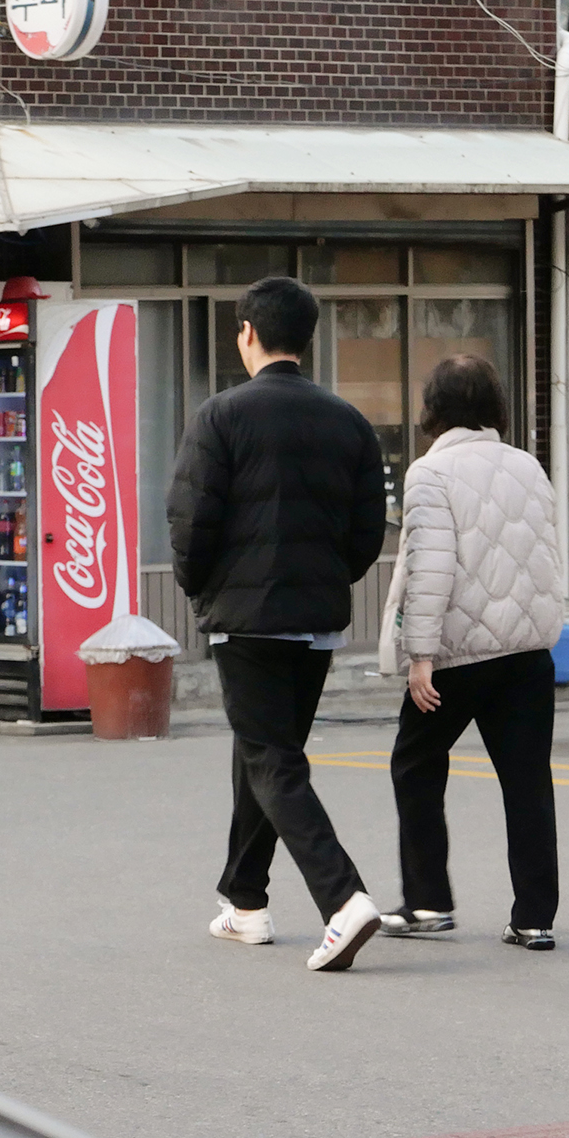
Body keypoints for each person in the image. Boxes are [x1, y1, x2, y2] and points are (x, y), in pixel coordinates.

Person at [167, 276, 387, 972]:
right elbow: (367, 532)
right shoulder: (348, 420)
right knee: (265, 755)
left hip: (247, 620)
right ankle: (245, 903)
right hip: (315, 622)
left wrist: (201, 588)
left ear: (247, 333)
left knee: (271, 761)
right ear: (307, 337)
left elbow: (190, 519)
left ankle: (344, 899)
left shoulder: (222, 415)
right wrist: (327, 580)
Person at [378, 355, 563, 951]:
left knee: (415, 764)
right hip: (528, 652)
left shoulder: (431, 474)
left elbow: (430, 568)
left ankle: (428, 901)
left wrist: (420, 655)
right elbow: (544, 556)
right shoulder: (528, 466)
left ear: (434, 406)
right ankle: (534, 917)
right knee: (528, 780)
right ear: (495, 406)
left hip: (460, 657)